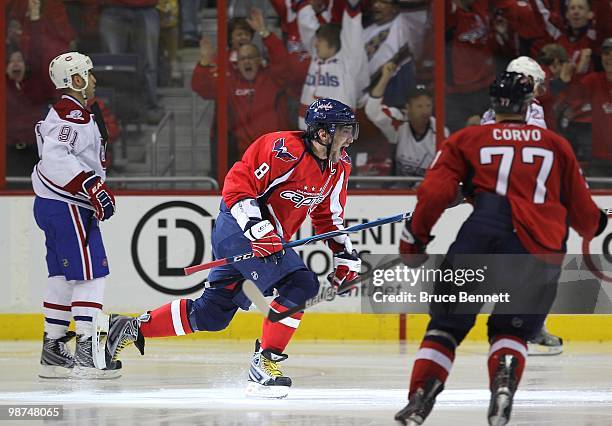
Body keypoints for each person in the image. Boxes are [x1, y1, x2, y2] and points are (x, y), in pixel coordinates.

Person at [95, 98, 362, 399]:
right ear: (323, 134)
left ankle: (126, 329)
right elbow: (238, 185)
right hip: (237, 230)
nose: (350, 138)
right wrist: (258, 229)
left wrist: (344, 256)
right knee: (301, 283)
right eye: (344, 131)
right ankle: (265, 363)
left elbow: (328, 216)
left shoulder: (338, 168)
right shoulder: (281, 149)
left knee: (212, 315)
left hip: (265, 240)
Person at [395, 71, 607, 425]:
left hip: (480, 237)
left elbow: (433, 194)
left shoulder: (467, 139)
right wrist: (598, 223)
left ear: (492, 103)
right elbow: (584, 217)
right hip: (538, 250)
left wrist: (414, 240)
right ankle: (503, 387)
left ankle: (420, 398)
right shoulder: (555, 145)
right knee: (511, 329)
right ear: (528, 104)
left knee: (446, 327)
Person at [32, 52, 118, 379]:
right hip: (67, 205)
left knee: (61, 278)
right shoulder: (71, 115)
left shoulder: (77, 112)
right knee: (91, 274)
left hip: (55, 205)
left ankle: (53, 348)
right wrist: (91, 185)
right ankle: (87, 350)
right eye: (90, 74)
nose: (95, 79)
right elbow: (55, 157)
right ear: (77, 80)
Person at [191, 8, 292, 162]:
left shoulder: (270, 77)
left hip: (271, 147)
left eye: (246, 34)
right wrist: (204, 63)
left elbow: (283, 63)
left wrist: (265, 32)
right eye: (239, 34)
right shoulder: (228, 77)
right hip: (235, 143)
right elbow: (202, 87)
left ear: (258, 59)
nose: (243, 38)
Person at [365, 62, 448, 182]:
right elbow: (373, 111)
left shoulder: (440, 131)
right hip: (400, 192)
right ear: (408, 107)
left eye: (428, 105)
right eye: (419, 106)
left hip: (429, 189)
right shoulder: (399, 123)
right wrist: (385, 77)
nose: (425, 111)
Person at [298, 0, 369, 128]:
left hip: (336, 132)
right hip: (309, 131)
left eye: (319, 41)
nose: (315, 44)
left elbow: (353, 32)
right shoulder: (317, 55)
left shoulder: (348, 62)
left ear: (332, 44)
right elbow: (306, 25)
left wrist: (353, 6)